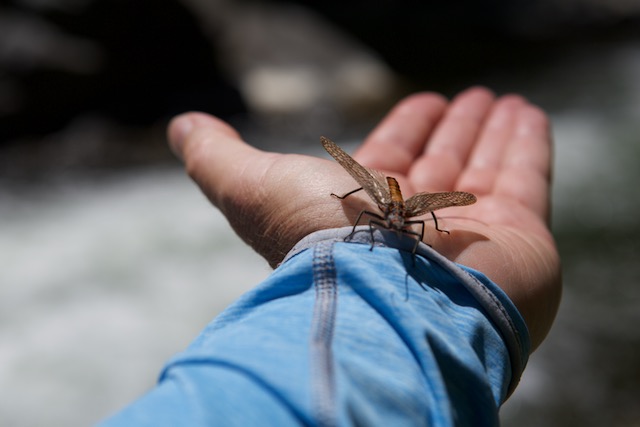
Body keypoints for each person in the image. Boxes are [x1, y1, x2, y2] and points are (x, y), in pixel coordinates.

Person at [99, 87, 561, 426]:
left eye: (401, 225)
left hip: (407, 201)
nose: (400, 230)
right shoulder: (378, 210)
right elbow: (363, 204)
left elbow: (433, 216)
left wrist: (425, 241)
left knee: (419, 226)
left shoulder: (413, 217)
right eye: (395, 224)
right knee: (365, 213)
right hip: (384, 194)